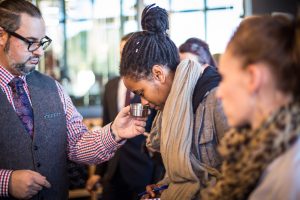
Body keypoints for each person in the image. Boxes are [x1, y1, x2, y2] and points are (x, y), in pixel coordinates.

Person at [0, 1, 146, 199]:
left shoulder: (53, 88)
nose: (40, 52)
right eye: (30, 41)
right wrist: (6, 182)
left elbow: (77, 144)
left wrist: (114, 132)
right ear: (2, 36)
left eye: (42, 42)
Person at [120, 4, 229, 200]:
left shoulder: (216, 97)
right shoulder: (168, 109)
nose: (143, 102)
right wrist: (164, 186)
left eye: (141, 92)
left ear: (158, 73)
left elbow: (245, 172)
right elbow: (183, 173)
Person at [201, 15, 300, 200]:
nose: (219, 93)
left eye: (225, 78)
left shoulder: (286, 177)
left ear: (253, 78)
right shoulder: (255, 149)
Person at [85, 33, 164, 200]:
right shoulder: (111, 86)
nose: (124, 58)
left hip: (143, 171)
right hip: (113, 171)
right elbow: (107, 126)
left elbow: (160, 134)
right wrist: (99, 172)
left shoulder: (154, 86)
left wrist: (159, 179)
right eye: (122, 53)